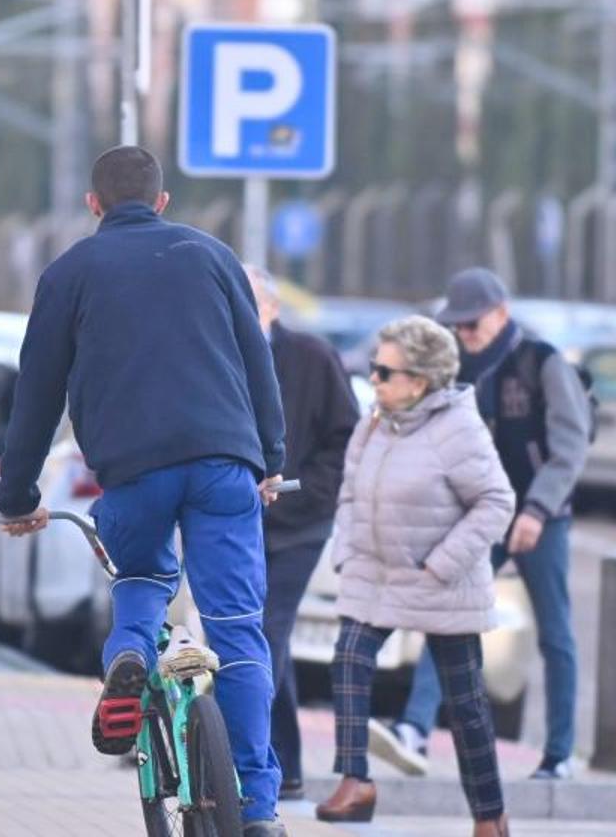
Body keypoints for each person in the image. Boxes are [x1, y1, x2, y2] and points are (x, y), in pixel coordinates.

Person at [0, 146, 289, 837]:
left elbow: (36, 397)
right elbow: (258, 365)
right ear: (162, 202)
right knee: (238, 627)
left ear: (93, 205)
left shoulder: (68, 274)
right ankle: (263, 808)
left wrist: (17, 496)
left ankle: (128, 655)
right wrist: (269, 458)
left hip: (132, 473)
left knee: (144, 578)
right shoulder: (213, 256)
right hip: (224, 465)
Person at [371, 268, 590, 781]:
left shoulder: (542, 362)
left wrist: (537, 510)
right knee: (446, 615)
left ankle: (559, 753)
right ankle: (413, 729)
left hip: (542, 515)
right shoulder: (457, 367)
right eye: (459, 325)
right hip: (480, 515)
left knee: (555, 632)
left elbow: (570, 446)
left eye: (474, 324)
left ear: (501, 313)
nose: (466, 333)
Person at [315, 316, 514, 837]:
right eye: (373, 369)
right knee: (350, 657)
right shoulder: (375, 421)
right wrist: (348, 555)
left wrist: (441, 564)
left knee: (466, 706)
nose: (373, 380)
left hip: (440, 584)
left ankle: (490, 817)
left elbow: (496, 502)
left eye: (385, 371)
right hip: (376, 577)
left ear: (420, 382)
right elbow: (353, 490)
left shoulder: (458, 428)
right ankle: (355, 781)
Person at [245, 265, 357, 801]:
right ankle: (285, 765)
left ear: (272, 307)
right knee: (261, 637)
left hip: (299, 524)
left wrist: (309, 490)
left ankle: (255, 768)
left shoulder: (311, 357)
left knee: (265, 632)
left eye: (248, 300)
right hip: (239, 522)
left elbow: (345, 436)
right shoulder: (221, 355)